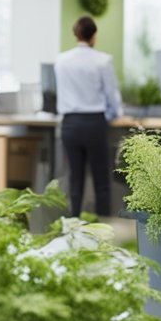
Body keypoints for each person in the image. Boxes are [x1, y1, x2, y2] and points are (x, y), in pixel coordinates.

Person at [54, 16, 122, 218]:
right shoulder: (102, 60)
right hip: (94, 123)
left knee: (75, 178)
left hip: (70, 124)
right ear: (94, 36)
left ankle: (73, 224)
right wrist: (114, 113)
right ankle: (104, 225)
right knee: (101, 178)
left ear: (76, 34)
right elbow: (111, 94)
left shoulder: (61, 60)